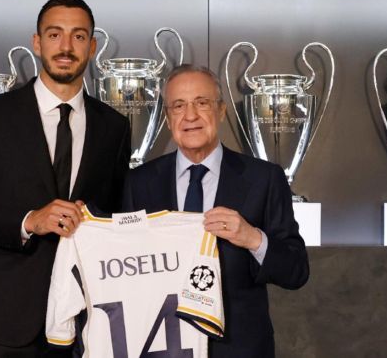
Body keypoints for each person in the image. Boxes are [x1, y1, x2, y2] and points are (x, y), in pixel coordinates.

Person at [0, 0, 131, 357]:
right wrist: (30, 221)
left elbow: (118, 213)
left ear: (92, 46)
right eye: (54, 34)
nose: (66, 46)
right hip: (3, 319)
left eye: (78, 36)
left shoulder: (114, 127)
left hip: (89, 319)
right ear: (37, 42)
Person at [122, 64, 308, 358]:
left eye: (202, 103)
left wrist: (252, 238)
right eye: (179, 106)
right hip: (161, 347)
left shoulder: (265, 178)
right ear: (168, 119)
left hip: (239, 349)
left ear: (220, 111)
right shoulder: (139, 183)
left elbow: (296, 272)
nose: (191, 115)